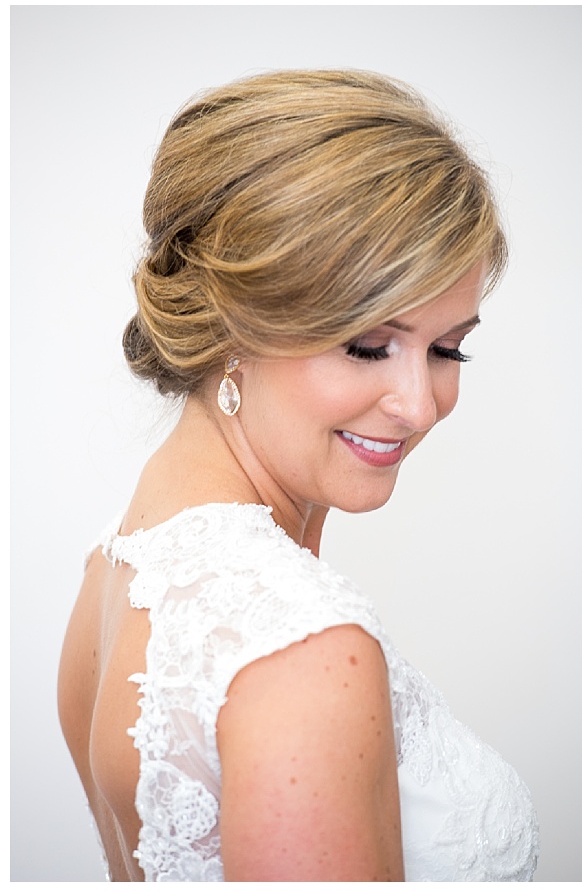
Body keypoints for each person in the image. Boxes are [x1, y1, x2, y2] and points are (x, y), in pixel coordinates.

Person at [56, 69, 538, 881]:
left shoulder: (121, 563)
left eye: (449, 348)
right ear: (234, 321)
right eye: (367, 345)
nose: (420, 405)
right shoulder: (300, 646)